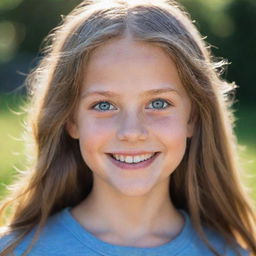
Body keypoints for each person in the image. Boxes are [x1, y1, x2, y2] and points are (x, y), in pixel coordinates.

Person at [0, 0, 255, 255]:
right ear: (71, 120)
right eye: (103, 105)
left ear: (192, 118)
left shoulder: (231, 252)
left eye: (158, 102)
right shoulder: (16, 250)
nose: (132, 132)